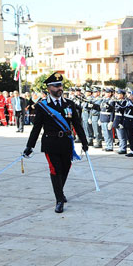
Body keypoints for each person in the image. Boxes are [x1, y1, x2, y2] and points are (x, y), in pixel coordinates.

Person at [23, 73, 89, 213]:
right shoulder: (42, 106)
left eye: (61, 85)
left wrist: (84, 142)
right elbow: (36, 128)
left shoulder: (69, 104)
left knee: (65, 168)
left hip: (66, 142)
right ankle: (59, 199)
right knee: (55, 170)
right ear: (49, 88)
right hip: (50, 143)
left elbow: (77, 124)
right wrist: (30, 146)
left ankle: (60, 191)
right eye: (56, 86)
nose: (60, 88)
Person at [123, 91, 133, 157]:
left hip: (131, 122)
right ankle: (131, 150)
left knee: (132, 137)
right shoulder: (128, 103)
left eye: (131, 95)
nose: (130, 96)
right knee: (129, 137)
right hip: (127, 121)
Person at [113, 89, 128, 154]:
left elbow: (123, 112)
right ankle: (121, 147)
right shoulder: (117, 102)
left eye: (119, 94)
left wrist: (121, 122)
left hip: (121, 121)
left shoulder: (125, 102)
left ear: (122, 95)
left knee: (122, 136)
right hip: (117, 120)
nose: (117, 95)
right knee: (119, 136)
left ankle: (123, 149)